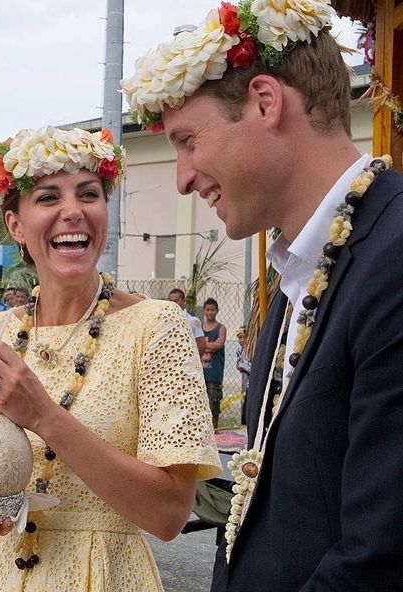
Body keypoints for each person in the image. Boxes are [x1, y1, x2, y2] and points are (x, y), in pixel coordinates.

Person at [122, 2, 403, 590]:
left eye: (188, 140)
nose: (182, 177)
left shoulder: (392, 257)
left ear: (266, 102)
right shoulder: (303, 269)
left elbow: (379, 554)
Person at [0, 125, 221, 592]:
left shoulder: (156, 326)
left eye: (88, 194)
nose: (73, 212)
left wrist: (45, 417)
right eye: (48, 198)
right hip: (6, 575)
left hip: (109, 574)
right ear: (15, 225)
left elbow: (170, 514)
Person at [201, 298, 227, 428]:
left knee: (214, 405)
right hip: (200, 373)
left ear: (217, 311)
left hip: (214, 373)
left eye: (212, 310)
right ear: (204, 311)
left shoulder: (220, 328)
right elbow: (194, 345)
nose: (210, 312)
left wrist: (203, 345)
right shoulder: (199, 327)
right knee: (200, 405)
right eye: (207, 309)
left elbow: (219, 344)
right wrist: (209, 346)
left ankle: (215, 430)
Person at [168, 288, 206, 356]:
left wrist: (193, 361)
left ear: (184, 301)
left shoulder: (192, 321)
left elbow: (201, 344)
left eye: (176, 301)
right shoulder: (167, 321)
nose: (173, 304)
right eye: (171, 301)